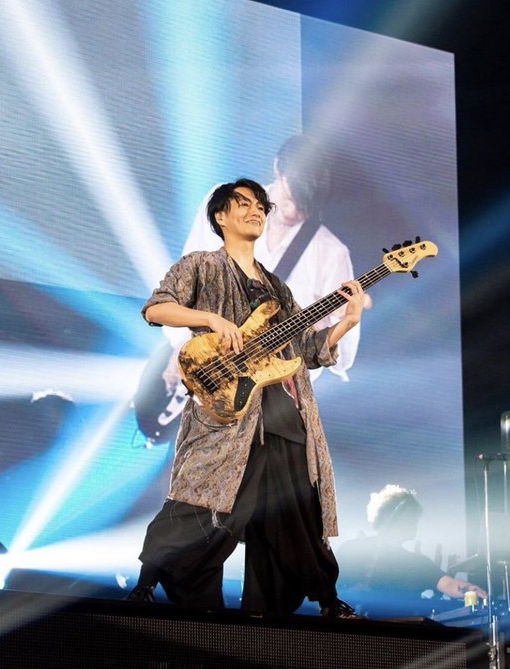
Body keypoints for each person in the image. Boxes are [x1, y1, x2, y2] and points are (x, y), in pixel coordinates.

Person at [127, 178, 365, 618]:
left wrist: (346, 322)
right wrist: (211, 319)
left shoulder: (278, 289)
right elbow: (156, 308)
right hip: (227, 410)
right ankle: (147, 584)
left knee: (298, 510)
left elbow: (307, 350)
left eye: (260, 206)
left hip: (283, 411)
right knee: (199, 503)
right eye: (244, 204)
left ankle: (323, 601)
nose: (256, 211)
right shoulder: (202, 265)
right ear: (220, 216)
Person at [147, 136, 362, 436]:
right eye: (288, 199)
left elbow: (342, 358)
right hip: (199, 363)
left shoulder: (330, 253)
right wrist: (182, 349)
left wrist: (342, 322)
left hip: (271, 404)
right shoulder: (225, 207)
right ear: (277, 167)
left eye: (303, 209)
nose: (291, 212)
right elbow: (185, 285)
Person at [337, 485, 486, 619]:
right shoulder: (353, 550)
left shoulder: (417, 562)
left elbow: (447, 584)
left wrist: (468, 588)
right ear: (390, 517)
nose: (415, 524)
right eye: (411, 518)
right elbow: (331, 589)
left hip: (403, 635)